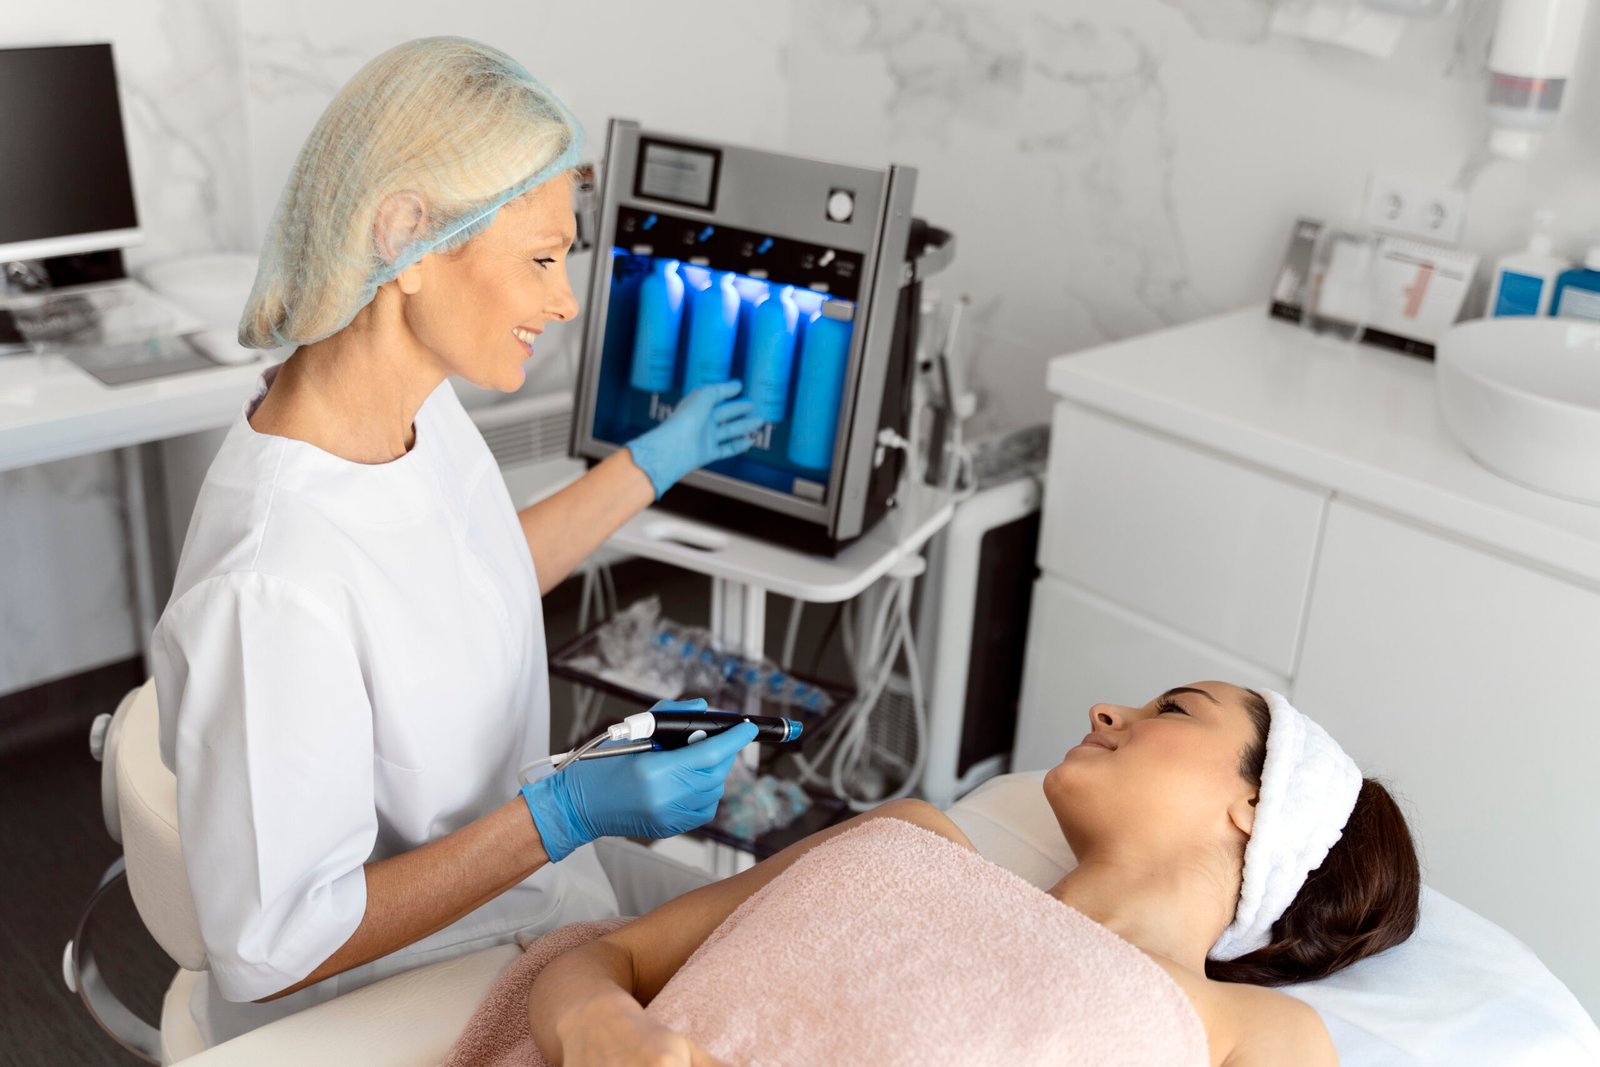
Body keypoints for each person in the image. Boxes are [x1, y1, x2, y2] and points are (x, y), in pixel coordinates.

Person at [150, 37, 763, 1044]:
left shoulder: (414, 411)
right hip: (396, 994)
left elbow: (471, 574)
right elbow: (273, 944)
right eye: (539, 259)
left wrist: (653, 460)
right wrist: (562, 812)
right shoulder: (273, 582)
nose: (563, 299)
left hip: (525, 902)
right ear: (407, 237)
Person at [524, 682, 1421, 1066]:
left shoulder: (1250, 1030)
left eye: (1173, 708)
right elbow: (606, 960)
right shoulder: (907, 839)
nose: (1107, 708)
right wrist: (606, 1027)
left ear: (1259, 809)